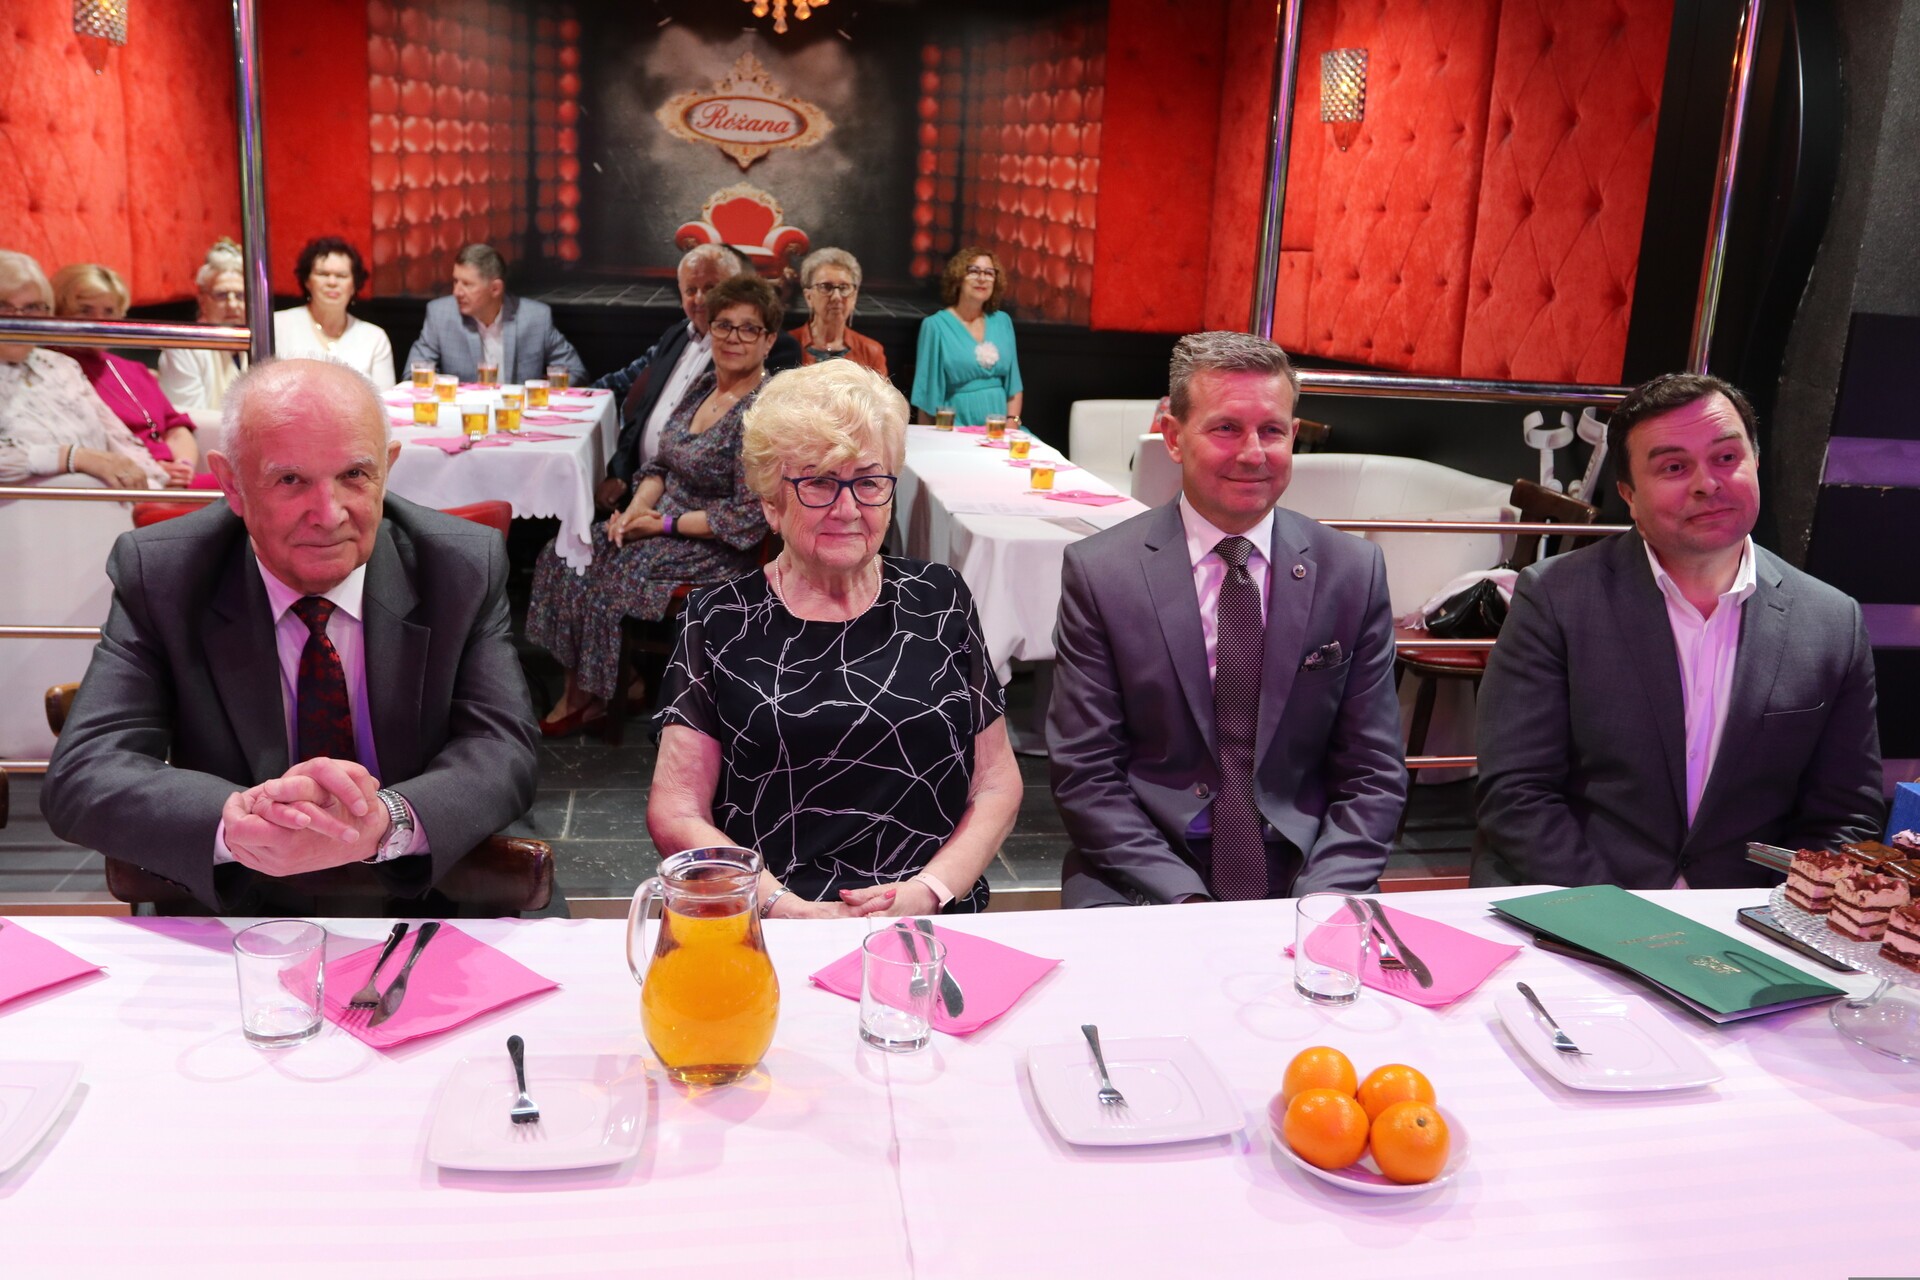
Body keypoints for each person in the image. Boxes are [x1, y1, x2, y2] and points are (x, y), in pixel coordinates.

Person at [40, 357, 540, 913]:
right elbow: (85, 771)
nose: (328, 514)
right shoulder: (164, 575)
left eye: (355, 474)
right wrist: (235, 821)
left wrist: (386, 821)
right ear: (231, 484)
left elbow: (502, 748)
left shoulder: (461, 567)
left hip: (427, 896)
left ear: (388, 468)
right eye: (290, 480)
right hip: (236, 908)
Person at [1473, 372, 1882, 890]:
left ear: (1756, 463)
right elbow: (1517, 793)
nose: (1707, 483)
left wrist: (1779, 916)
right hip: (1582, 900)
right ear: (1629, 495)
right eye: (1673, 466)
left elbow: (1845, 814)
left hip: (1745, 915)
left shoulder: (1831, 620)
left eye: (1726, 457)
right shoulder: (1555, 598)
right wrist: (1618, 919)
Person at [649, 360, 1021, 917]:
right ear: (771, 503)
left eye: (869, 482)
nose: (848, 509)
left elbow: (996, 783)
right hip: (769, 922)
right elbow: (676, 811)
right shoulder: (716, 618)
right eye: (819, 482)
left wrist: (929, 891)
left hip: (929, 922)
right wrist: (784, 907)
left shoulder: (940, 597)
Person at [1047, 331, 1406, 906]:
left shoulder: (1352, 571)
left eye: (1272, 431)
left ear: (1293, 435)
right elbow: (1086, 774)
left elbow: (1373, 772)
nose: (1253, 453)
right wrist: (1187, 903)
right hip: (1145, 865)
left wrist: (1321, 897)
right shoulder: (1102, 573)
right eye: (1226, 428)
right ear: (1173, 437)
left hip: (1306, 867)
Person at [528, 274, 782, 735]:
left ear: (769, 340)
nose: (733, 338)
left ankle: (595, 692)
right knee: (564, 555)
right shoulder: (705, 384)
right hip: (660, 520)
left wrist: (661, 524)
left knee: (609, 572)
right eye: (724, 325)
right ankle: (609, 683)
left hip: (716, 544)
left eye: (749, 329)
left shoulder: (764, 410)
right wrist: (632, 513)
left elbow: (745, 517)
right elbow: (660, 465)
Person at [591, 245, 799, 510]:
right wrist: (620, 474)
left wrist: (665, 523)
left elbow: (752, 498)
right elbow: (642, 411)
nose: (700, 299)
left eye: (710, 287)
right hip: (644, 487)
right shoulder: (677, 337)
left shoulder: (770, 351)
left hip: (694, 508)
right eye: (691, 290)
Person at [0, 249, 166, 491]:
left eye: (32, 307)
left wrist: (155, 486)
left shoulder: (63, 365)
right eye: (3, 305)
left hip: (111, 505)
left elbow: (119, 439)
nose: (18, 318)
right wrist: (74, 457)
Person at [51, 262, 201, 486]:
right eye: (85, 310)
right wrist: (152, 471)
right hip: (128, 485)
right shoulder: (53, 371)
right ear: (61, 313)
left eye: (109, 311)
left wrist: (183, 466)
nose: (99, 321)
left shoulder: (133, 369)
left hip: (175, 482)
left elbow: (176, 428)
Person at [404, 243, 586, 385]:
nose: (456, 292)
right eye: (455, 281)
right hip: (466, 416)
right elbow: (413, 375)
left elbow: (576, 372)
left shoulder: (535, 318)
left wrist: (539, 391)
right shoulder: (441, 315)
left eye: (467, 284)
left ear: (495, 288)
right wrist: (447, 389)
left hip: (518, 416)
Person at [910, 246, 1022, 425]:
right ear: (958, 277)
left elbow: (1014, 384)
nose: (982, 278)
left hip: (1000, 430)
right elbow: (927, 394)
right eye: (974, 271)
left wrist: (1012, 424)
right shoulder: (935, 326)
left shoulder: (1003, 322)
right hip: (955, 428)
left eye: (989, 273)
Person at [272, 237, 394, 387]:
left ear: (354, 285)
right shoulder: (278, 325)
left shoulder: (374, 337)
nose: (332, 282)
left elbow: (385, 399)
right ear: (307, 281)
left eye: (342, 276)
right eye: (323, 274)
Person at [159, 237, 250, 429]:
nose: (232, 304)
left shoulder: (261, 338)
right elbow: (190, 421)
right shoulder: (183, 347)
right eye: (221, 295)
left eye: (240, 295)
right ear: (202, 301)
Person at [788, 247, 888, 375]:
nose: (836, 296)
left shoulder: (871, 351)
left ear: (854, 296)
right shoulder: (786, 345)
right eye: (826, 286)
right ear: (808, 297)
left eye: (844, 287)